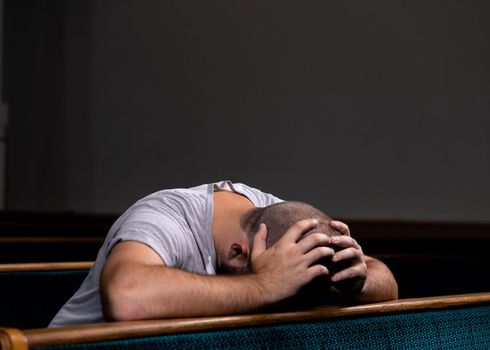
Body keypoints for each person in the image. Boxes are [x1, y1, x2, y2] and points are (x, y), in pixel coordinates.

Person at [49, 180, 397, 327]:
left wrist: (359, 279)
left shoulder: (274, 217)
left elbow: (384, 281)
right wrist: (265, 286)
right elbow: (127, 300)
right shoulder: (164, 217)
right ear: (237, 253)